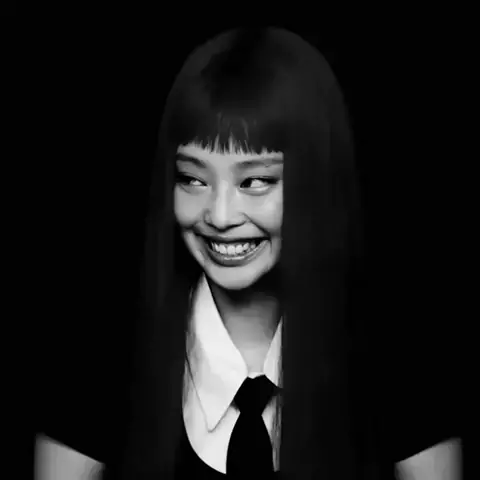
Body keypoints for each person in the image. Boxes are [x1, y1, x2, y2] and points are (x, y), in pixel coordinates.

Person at [36, 26, 462, 480]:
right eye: (193, 179)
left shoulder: (398, 360)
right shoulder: (98, 358)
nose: (219, 216)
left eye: (255, 181)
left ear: (317, 182)